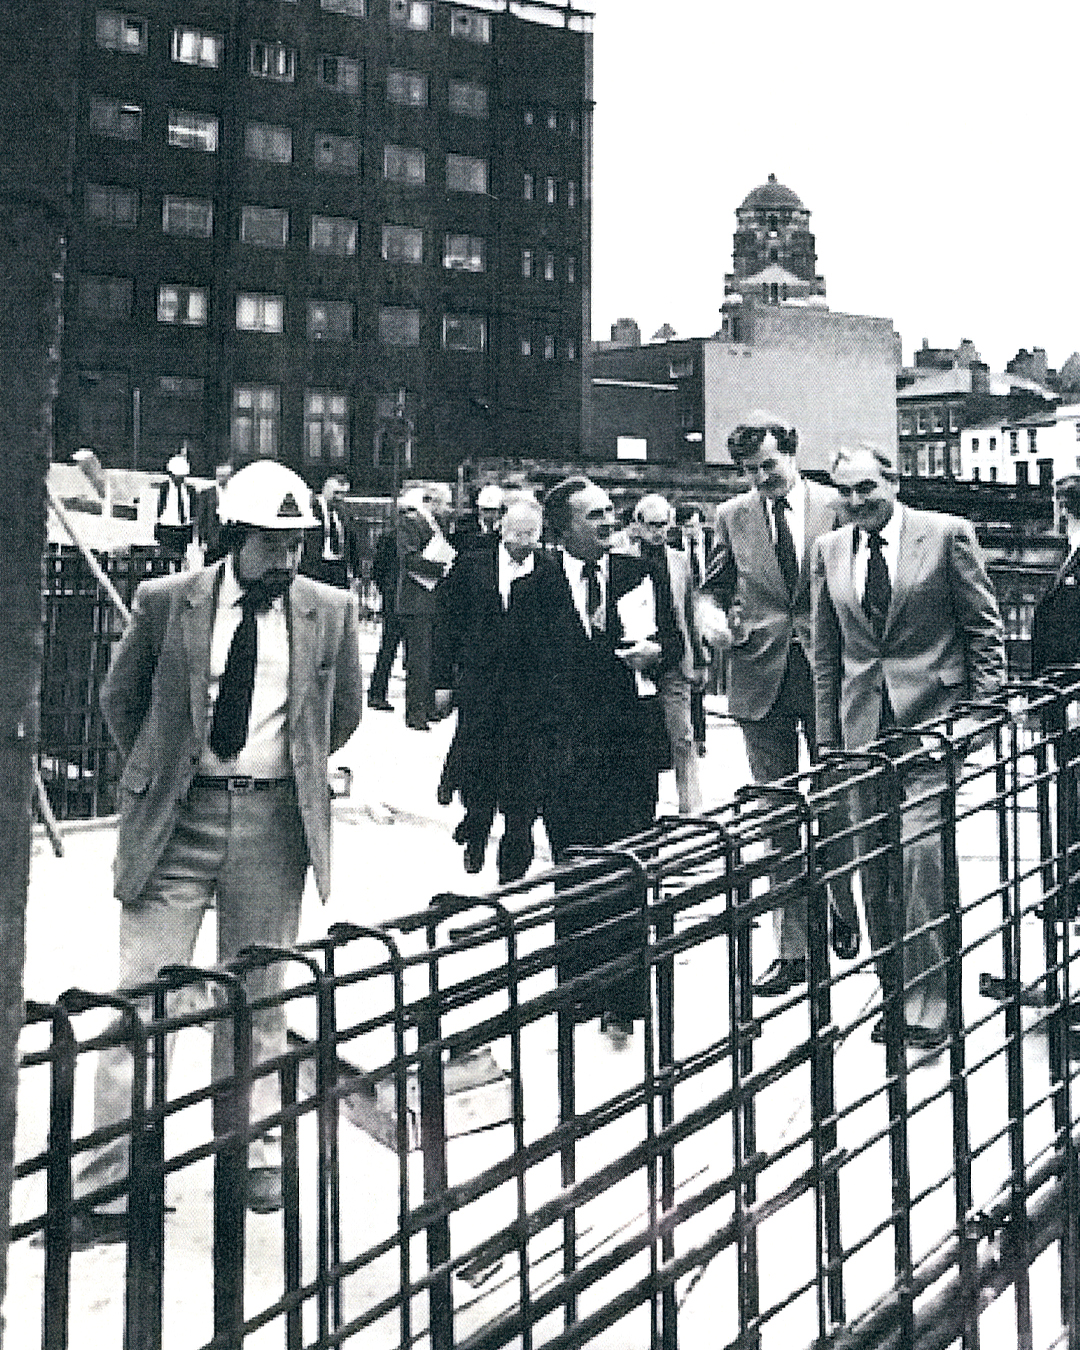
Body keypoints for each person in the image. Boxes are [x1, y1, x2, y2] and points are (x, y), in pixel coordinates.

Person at [73, 459, 363, 1241]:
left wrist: (284, 771)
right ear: (235, 536)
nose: (287, 556)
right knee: (140, 999)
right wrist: (161, 774)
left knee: (258, 997)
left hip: (273, 827)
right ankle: (106, 1181)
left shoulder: (328, 611)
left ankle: (253, 1152)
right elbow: (119, 697)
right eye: (272, 542)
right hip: (177, 822)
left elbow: (341, 716)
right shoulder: (168, 602)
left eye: (297, 541)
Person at [812, 441, 1005, 1052]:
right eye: (845, 491)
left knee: (921, 857)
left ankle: (933, 1000)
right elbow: (827, 654)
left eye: (866, 487)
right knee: (873, 866)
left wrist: (978, 719)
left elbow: (984, 632)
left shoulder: (945, 535)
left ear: (892, 482)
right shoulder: (829, 549)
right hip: (860, 733)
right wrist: (827, 741)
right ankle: (894, 990)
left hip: (933, 726)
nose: (856, 501)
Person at [506, 476, 676, 1042]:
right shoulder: (534, 588)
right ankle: (577, 990)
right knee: (575, 870)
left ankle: (625, 998)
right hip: (566, 752)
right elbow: (519, 677)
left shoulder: (638, 573)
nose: (608, 523)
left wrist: (657, 652)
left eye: (610, 512)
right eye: (594, 516)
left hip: (629, 744)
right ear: (562, 531)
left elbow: (671, 641)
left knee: (630, 868)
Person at [700, 414, 860, 998]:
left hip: (830, 670)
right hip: (759, 672)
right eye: (749, 471)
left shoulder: (838, 505)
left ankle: (843, 908)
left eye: (769, 466)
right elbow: (713, 586)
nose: (761, 478)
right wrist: (710, 617)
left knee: (839, 799)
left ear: (792, 454)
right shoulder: (732, 516)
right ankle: (794, 950)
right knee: (776, 815)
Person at [433, 496, 544, 880]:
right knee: (479, 762)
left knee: (522, 772)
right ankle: (477, 827)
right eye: (516, 536)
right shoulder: (472, 567)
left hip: (529, 693)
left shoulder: (548, 572)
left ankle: (515, 850)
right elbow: (444, 626)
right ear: (501, 530)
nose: (523, 544)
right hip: (480, 687)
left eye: (531, 537)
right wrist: (442, 683)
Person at [631, 493, 707, 815]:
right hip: (636, 659)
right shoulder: (624, 557)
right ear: (638, 525)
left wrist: (700, 657)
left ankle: (691, 806)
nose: (658, 531)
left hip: (675, 657)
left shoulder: (679, 560)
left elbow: (689, 611)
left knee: (683, 736)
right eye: (651, 525)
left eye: (663, 525)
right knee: (640, 739)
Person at [396, 484, 455, 730]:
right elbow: (409, 558)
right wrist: (442, 568)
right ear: (432, 500)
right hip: (416, 601)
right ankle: (415, 712)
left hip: (431, 600)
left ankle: (427, 707)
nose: (448, 508)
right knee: (418, 661)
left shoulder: (433, 523)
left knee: (430, 659)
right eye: (446, 503)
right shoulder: (410, 521)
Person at [675, 501, 710, 757]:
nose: (690, 530)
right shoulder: (672, 547)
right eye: (685, 526)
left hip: (708, 607)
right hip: (685, 610)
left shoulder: (714, 541)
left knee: (702, 674)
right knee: (691, 672)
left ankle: (701, 735)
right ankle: (695, 733)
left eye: (694, 525)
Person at [366, 520, 402, 712]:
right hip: (394, 598)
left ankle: (377, 693)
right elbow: (378, 569)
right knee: (388, 648)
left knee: (388, 648)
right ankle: (377, 693)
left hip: (394, 596)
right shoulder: (391, 536)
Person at [301, 474, 356, 590]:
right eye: (336, 493)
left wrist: (354, 571)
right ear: (326, 490)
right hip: (317, 568)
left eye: (343, 493)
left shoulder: (344, 513)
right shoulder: (311, 509)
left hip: (338, 569)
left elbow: (351, 542)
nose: (339, 497)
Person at [154, 451, 197, 567]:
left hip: (183, 529)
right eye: (177, 477)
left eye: (182, 477)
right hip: (166, 528)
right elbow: (158, 508)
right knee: (165, 559)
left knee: (180, 559)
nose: (180, 480)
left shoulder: (189, 490)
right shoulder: (164, 488)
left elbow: (192, 509)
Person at [195, 462, 232, 565]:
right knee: (210, 569)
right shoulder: (207, 494)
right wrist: (202, 540)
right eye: (219, 476)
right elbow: (201, 519)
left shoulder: (233, 493)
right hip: (212, 539)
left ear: (229, 477)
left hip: (228, 537)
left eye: (224, 476)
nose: (221, 478)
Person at [452, 483, 505, 551]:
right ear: (479, 509)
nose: (488, 515)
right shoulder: (466, 527)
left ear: (501, 511)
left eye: (493, 511)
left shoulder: (505, 528)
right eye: (485, 510)